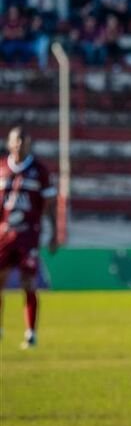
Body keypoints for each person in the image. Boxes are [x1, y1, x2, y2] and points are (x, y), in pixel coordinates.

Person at [0, 125, 58, 349]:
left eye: (24, 140)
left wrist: (54, 232)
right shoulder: (2, 168)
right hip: (4, 234)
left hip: (28, 234)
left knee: (28, 283)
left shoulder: (40, 171)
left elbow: (50, 203)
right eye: (17, 140)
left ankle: (31, 332)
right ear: (9, 143)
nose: (21, 144)